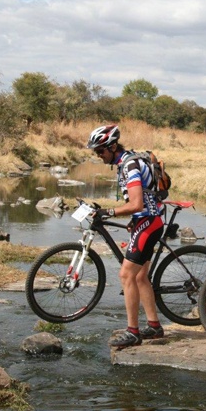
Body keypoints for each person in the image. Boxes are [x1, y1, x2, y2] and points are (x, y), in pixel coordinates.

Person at [87, 124, 165, 348]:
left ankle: (133, 332)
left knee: (126, 276)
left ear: (112, 146)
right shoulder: (126, 161)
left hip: (148, 222)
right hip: (148, 220)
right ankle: (155, 326)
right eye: (96, 152)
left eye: (101, 151)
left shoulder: (129, 166)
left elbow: (136, 203)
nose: (99, 155)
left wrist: (108, 212)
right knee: (140, 277)